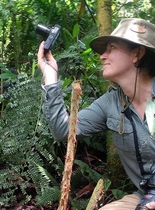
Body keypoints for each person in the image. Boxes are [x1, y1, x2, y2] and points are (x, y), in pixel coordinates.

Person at [37, 18, 155, 209]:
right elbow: (63, 132)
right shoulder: (110, 103)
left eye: (112, 48)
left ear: (138, 53)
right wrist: (51, 77)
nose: (102, 56)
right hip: (144, 197)